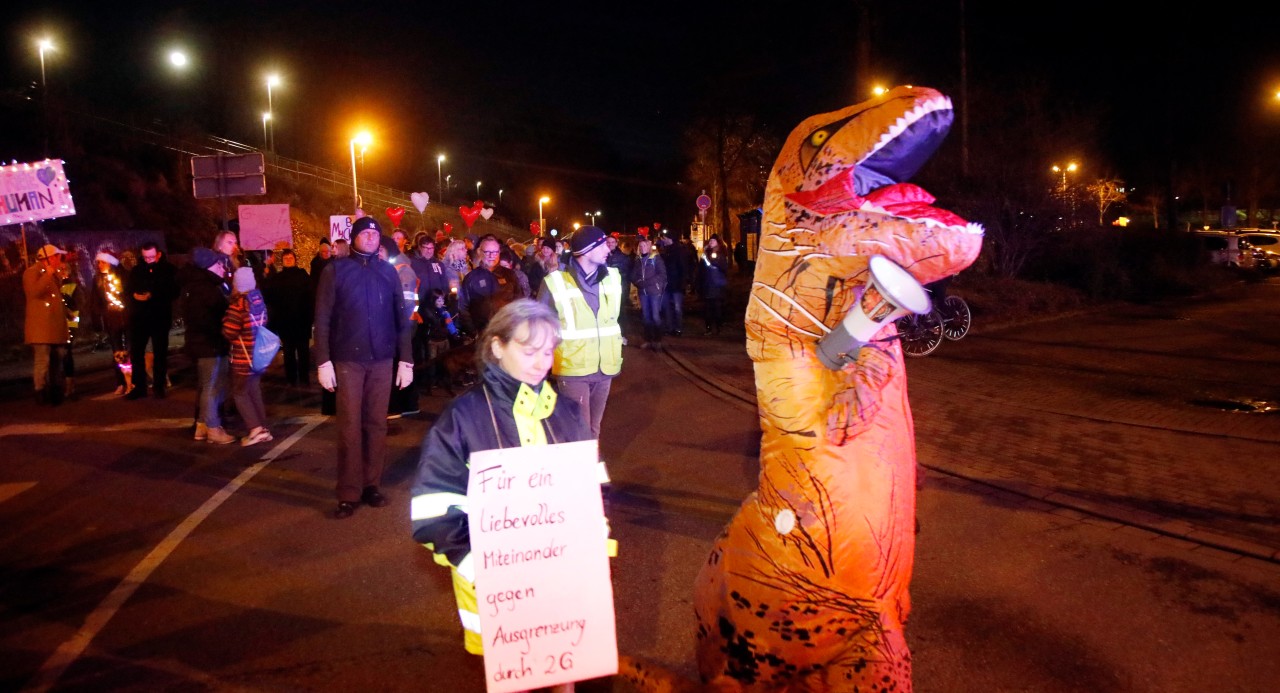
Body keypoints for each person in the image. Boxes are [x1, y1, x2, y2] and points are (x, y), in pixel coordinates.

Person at [410, 299, 594, 660]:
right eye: (529, 351)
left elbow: (588, 489)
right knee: (515, 671)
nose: (542, 363)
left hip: (561, 578)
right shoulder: (463, 417)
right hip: (494, 592)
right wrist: (481, 567)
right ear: (497, 347)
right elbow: (433, 509)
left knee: (567, 664)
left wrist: (591, 544)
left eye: (549, 351)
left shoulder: (567, 412)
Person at [313, 215, 415, 519]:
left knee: (376, 424)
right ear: (354, 237)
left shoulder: (388, 272)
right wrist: (323, 360)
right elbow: (322, 318)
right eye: (364, 232)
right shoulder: (335, 270)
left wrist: (406, 360)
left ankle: (372, 484)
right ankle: (348, 491)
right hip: (347, 360)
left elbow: (401, 318)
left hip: (382, 359)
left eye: (375, 233)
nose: (371, 236)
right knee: (349, 427)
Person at [536, 226, 622, 440]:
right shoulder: (555, 282)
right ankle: (580, 471)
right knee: (578, 431)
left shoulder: (613, 277)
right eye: (601, 245)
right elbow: (540, 327)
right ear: (585, 250)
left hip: (605, 367)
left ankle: (589, 470)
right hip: (573, 369)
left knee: (594, 429)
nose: (607, 249)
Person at [181, 246, 235, 444]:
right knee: (213, 387)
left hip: (202, 343)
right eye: (218, 264)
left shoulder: (196, 286)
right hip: (210, 344)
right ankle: (213, 428)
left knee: (206, 386)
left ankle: (202, 426)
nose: (222, 267)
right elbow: (212, 318)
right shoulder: (207, 290)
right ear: (208, 266)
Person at [223, 267, 273, 446]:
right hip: (259, 357)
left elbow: (229, 332)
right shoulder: (259, 302)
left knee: (240, 393)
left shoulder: (238, 306)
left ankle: (255, 429)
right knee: (254, 391)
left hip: (243, 358)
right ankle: (263, 427)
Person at [124, 241, 179, 399]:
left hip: (159, 316)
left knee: (160, 352)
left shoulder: (168, 270)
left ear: (158, 255)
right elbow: (128, 290)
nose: (148, 260)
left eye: (151, 257)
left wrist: (153, 295)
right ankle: (139, 386)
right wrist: (134, 296)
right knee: (137, 352)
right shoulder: (136, 271)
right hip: (139, 317)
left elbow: (174, 291)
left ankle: (159, 385)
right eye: (145, 257)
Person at [23, 244, 71, 405]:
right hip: (41, 327)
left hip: (55, 325)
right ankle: (40, 391)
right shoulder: (31, 272)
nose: (60, 260)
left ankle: (56, 390)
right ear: (50, 258)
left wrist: (67, 313)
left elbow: (57, 298)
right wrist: (47, 274)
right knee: (42, 361)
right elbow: (33, 292)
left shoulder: (54, 274)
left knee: (57, 359)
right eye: (58, 257)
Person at [263, 249, 313, 386]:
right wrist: (266, 276)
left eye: (291, 258)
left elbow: (310, 297)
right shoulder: (277, 278)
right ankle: (291, 378)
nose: (289, 260)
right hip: (285, 322)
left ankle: (304, 378)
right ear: (283, 261)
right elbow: (269, 296)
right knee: (289, 352)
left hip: (301, 321)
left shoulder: (303, 275)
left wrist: (310, 317)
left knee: (303, 352)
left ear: (295, 259)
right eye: (286, 259)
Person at [459, 235, 519, 334]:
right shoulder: (471, 278)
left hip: (507, 330)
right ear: (479, 252)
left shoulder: (509, 275)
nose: (492, 256)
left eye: (495, 252)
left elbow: (519, 300)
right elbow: (463, 308)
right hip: (483, 333)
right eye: (487, 252)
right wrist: (473, 331)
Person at [91, 250, 131, 395]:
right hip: (111, 319)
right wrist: (98, 318)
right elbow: (95, 300)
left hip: (127, 317)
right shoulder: (97, 279)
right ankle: (120, 381)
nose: (100, 265)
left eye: (102, 262)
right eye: (99, 262)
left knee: (130, 350)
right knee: (116, 351)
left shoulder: (123, 276)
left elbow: (129, 293)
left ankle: (133, 380)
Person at [630, 236, 667, 350]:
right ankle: (648, 340)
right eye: (640, 246)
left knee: (655, 316)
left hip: (654, 292)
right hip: (643, 292)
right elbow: (633, 275)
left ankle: (658, 340)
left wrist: (646, 283)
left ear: (649, 246)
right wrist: (638, 283)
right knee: (646, 317)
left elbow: (662, 275)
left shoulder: (656, 258)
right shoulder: (638, 260)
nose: (642, 248)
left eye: (644, 245)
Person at [699, 234, 730, 336]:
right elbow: (701, 269)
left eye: (713, 241)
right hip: (707, 284)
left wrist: (709, 260)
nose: (711, 242)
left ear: (718, 242)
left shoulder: (721, 254)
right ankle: (708, 328)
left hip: (717, 285)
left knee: (717, 307)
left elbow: (723, 267)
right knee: (707, 308)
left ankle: (718, 327)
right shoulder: (706, 253)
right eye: (710, 241)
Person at [662, 236, 693, 336]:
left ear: (670, 239)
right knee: (667, 307)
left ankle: (678, 328)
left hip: (676, 284)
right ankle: (670, 327)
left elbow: (683, 268)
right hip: (667, 284)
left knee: (677, 307)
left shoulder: (679, 251)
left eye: (665, 238)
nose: (663, 240)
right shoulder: (666, 250)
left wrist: (683, 283)